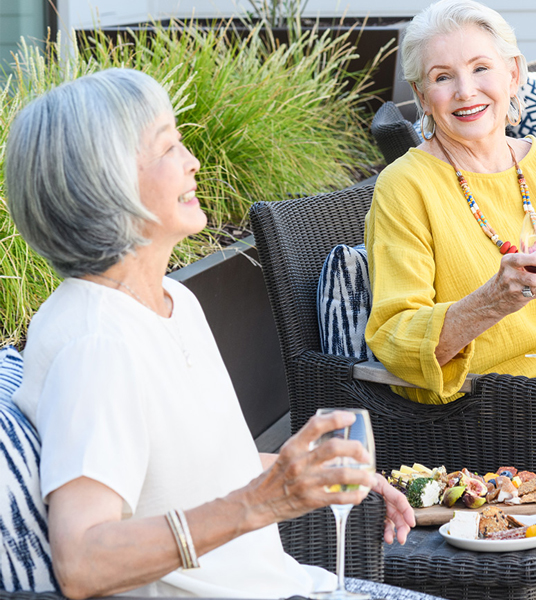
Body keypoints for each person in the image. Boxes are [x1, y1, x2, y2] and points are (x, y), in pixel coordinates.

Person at [4, 68, 434, 600]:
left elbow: (200, 469)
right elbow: (83, 560)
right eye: (168, 149)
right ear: (105, 185)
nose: (193, 162)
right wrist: (261, 502)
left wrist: (320, 474)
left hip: (287, 584)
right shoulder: (97, 342)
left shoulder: (173, 300)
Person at [365, 0, 536, 492]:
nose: (466, 91)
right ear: (422, 96)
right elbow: (395, 336)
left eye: (480, 68)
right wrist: (492, 301)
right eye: (442, 76)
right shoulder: (405, 186)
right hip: (515, 399)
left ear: (513, 74)